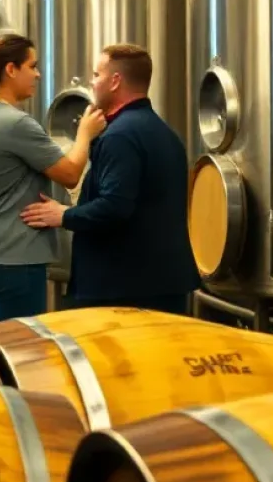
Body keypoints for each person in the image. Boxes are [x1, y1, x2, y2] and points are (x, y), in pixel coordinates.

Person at [21, 43, 199, 314]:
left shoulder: (120, 136)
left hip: (123, 289)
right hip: (162, 284)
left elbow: (115, 207)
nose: (92, 83)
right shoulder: (165, 133)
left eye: (96, 75)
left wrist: (64, 216)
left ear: (115, 81)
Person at [0, 34, 106, 325]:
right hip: (12, 260)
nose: (38, 74)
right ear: (11, 70)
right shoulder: (15, 123)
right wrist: (85, 133)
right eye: (32, 66)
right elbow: (71, 175)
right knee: (20, 352)